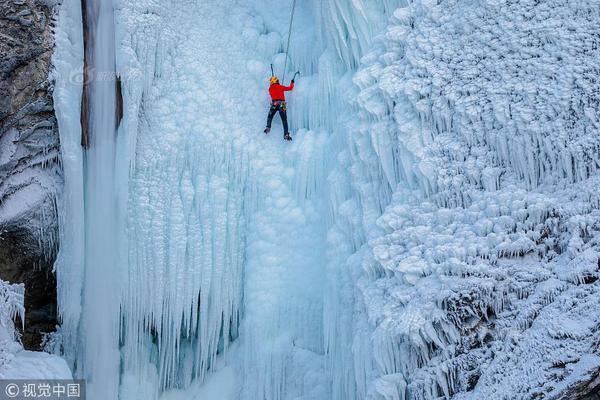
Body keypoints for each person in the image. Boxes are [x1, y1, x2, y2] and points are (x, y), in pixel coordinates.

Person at [264, 76, 294, 141]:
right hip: (282, 104)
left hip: (274, 103)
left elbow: (273, 91)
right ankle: (286, 134)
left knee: (270, 116)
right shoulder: (281, 87)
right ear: (276, 81)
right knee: (284, 120)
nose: (278, 82)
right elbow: (290, 88)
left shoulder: (270, 89)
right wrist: (292, 82)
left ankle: (268, 127)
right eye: (277, 81)